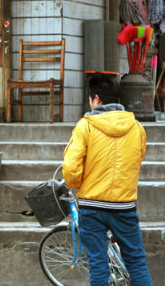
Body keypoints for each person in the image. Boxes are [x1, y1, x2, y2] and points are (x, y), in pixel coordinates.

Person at [63, 73, 153, 286]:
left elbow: (71, 169)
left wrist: (77, 185)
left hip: (92, 206)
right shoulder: (137, 128)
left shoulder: (85, 126)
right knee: (137, 263)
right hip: (124, 205)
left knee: (98, 265)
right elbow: (137, 160)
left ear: (96, 99)